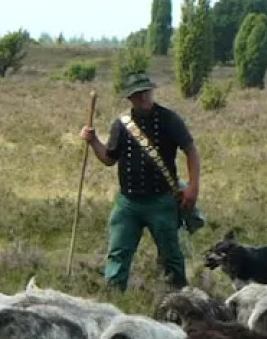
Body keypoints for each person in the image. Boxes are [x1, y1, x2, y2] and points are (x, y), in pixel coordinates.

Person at [80, 71, 201, 292]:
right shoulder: (121, 125)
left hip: (161, 201)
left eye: (146, 92)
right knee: (118, 253)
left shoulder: (169, 119)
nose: (144, 97)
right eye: (138, 94)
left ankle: (179, 297)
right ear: (130, 98)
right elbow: (109, 158)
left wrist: (193, 187)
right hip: (128, 203)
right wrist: (93, 140)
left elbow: (190, 151)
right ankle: (113, 296)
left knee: (171, 255)